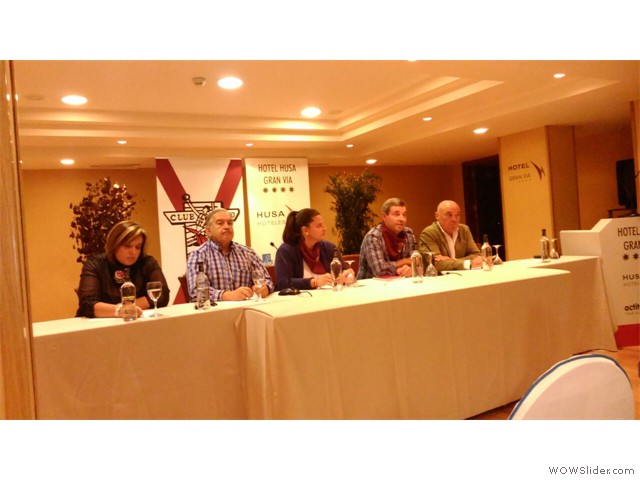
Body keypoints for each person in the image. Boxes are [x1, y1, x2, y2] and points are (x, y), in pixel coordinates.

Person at [76, 220, 170, 318]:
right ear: (114, 244)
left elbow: (162, 295)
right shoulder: (95, 264)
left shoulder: (147, 263)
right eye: (127, 246)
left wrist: (127, 308)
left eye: (138, 247)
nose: (133, 252)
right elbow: (87, 305)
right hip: (99, 326)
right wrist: (119, 311)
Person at [186, 208, 274, 301]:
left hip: (247, 308)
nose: (226, 226)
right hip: (215, 309)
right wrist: (226, 295)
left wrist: (265, 288)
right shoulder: (198, 255)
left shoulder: (248, 253)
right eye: (220, 223)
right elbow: (196, 291)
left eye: (230, 223)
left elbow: (267, 280)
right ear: (208, 231)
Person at [275, 208, 354, 291]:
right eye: (319, 226)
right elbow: (282, 283)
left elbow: (343, 272)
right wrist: (314, 282)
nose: (325, 229)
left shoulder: (329, 247)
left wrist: (346, 275)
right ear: (305, 230)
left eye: (323, 225)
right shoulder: (286, 251)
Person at [357, 197, 416, 279]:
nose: (402, 219)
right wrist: (404, 261)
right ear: (384, 216)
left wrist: (410, 269)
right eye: (396, 214)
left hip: (401, 282)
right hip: (372, 284)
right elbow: (379, 270)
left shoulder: (408, 234)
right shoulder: (373, 236)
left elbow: (415, 262)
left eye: (404, 215)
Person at [419, 200, 482, 272]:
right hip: (441, 278)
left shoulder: (464, 230)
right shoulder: (429, 233)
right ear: (437, 215)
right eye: (449, 215)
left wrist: (451, 260)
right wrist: (466, 263)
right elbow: (435, 263)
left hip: (464, 274)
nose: (454, 219)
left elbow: (477, 255)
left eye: (457, 215)